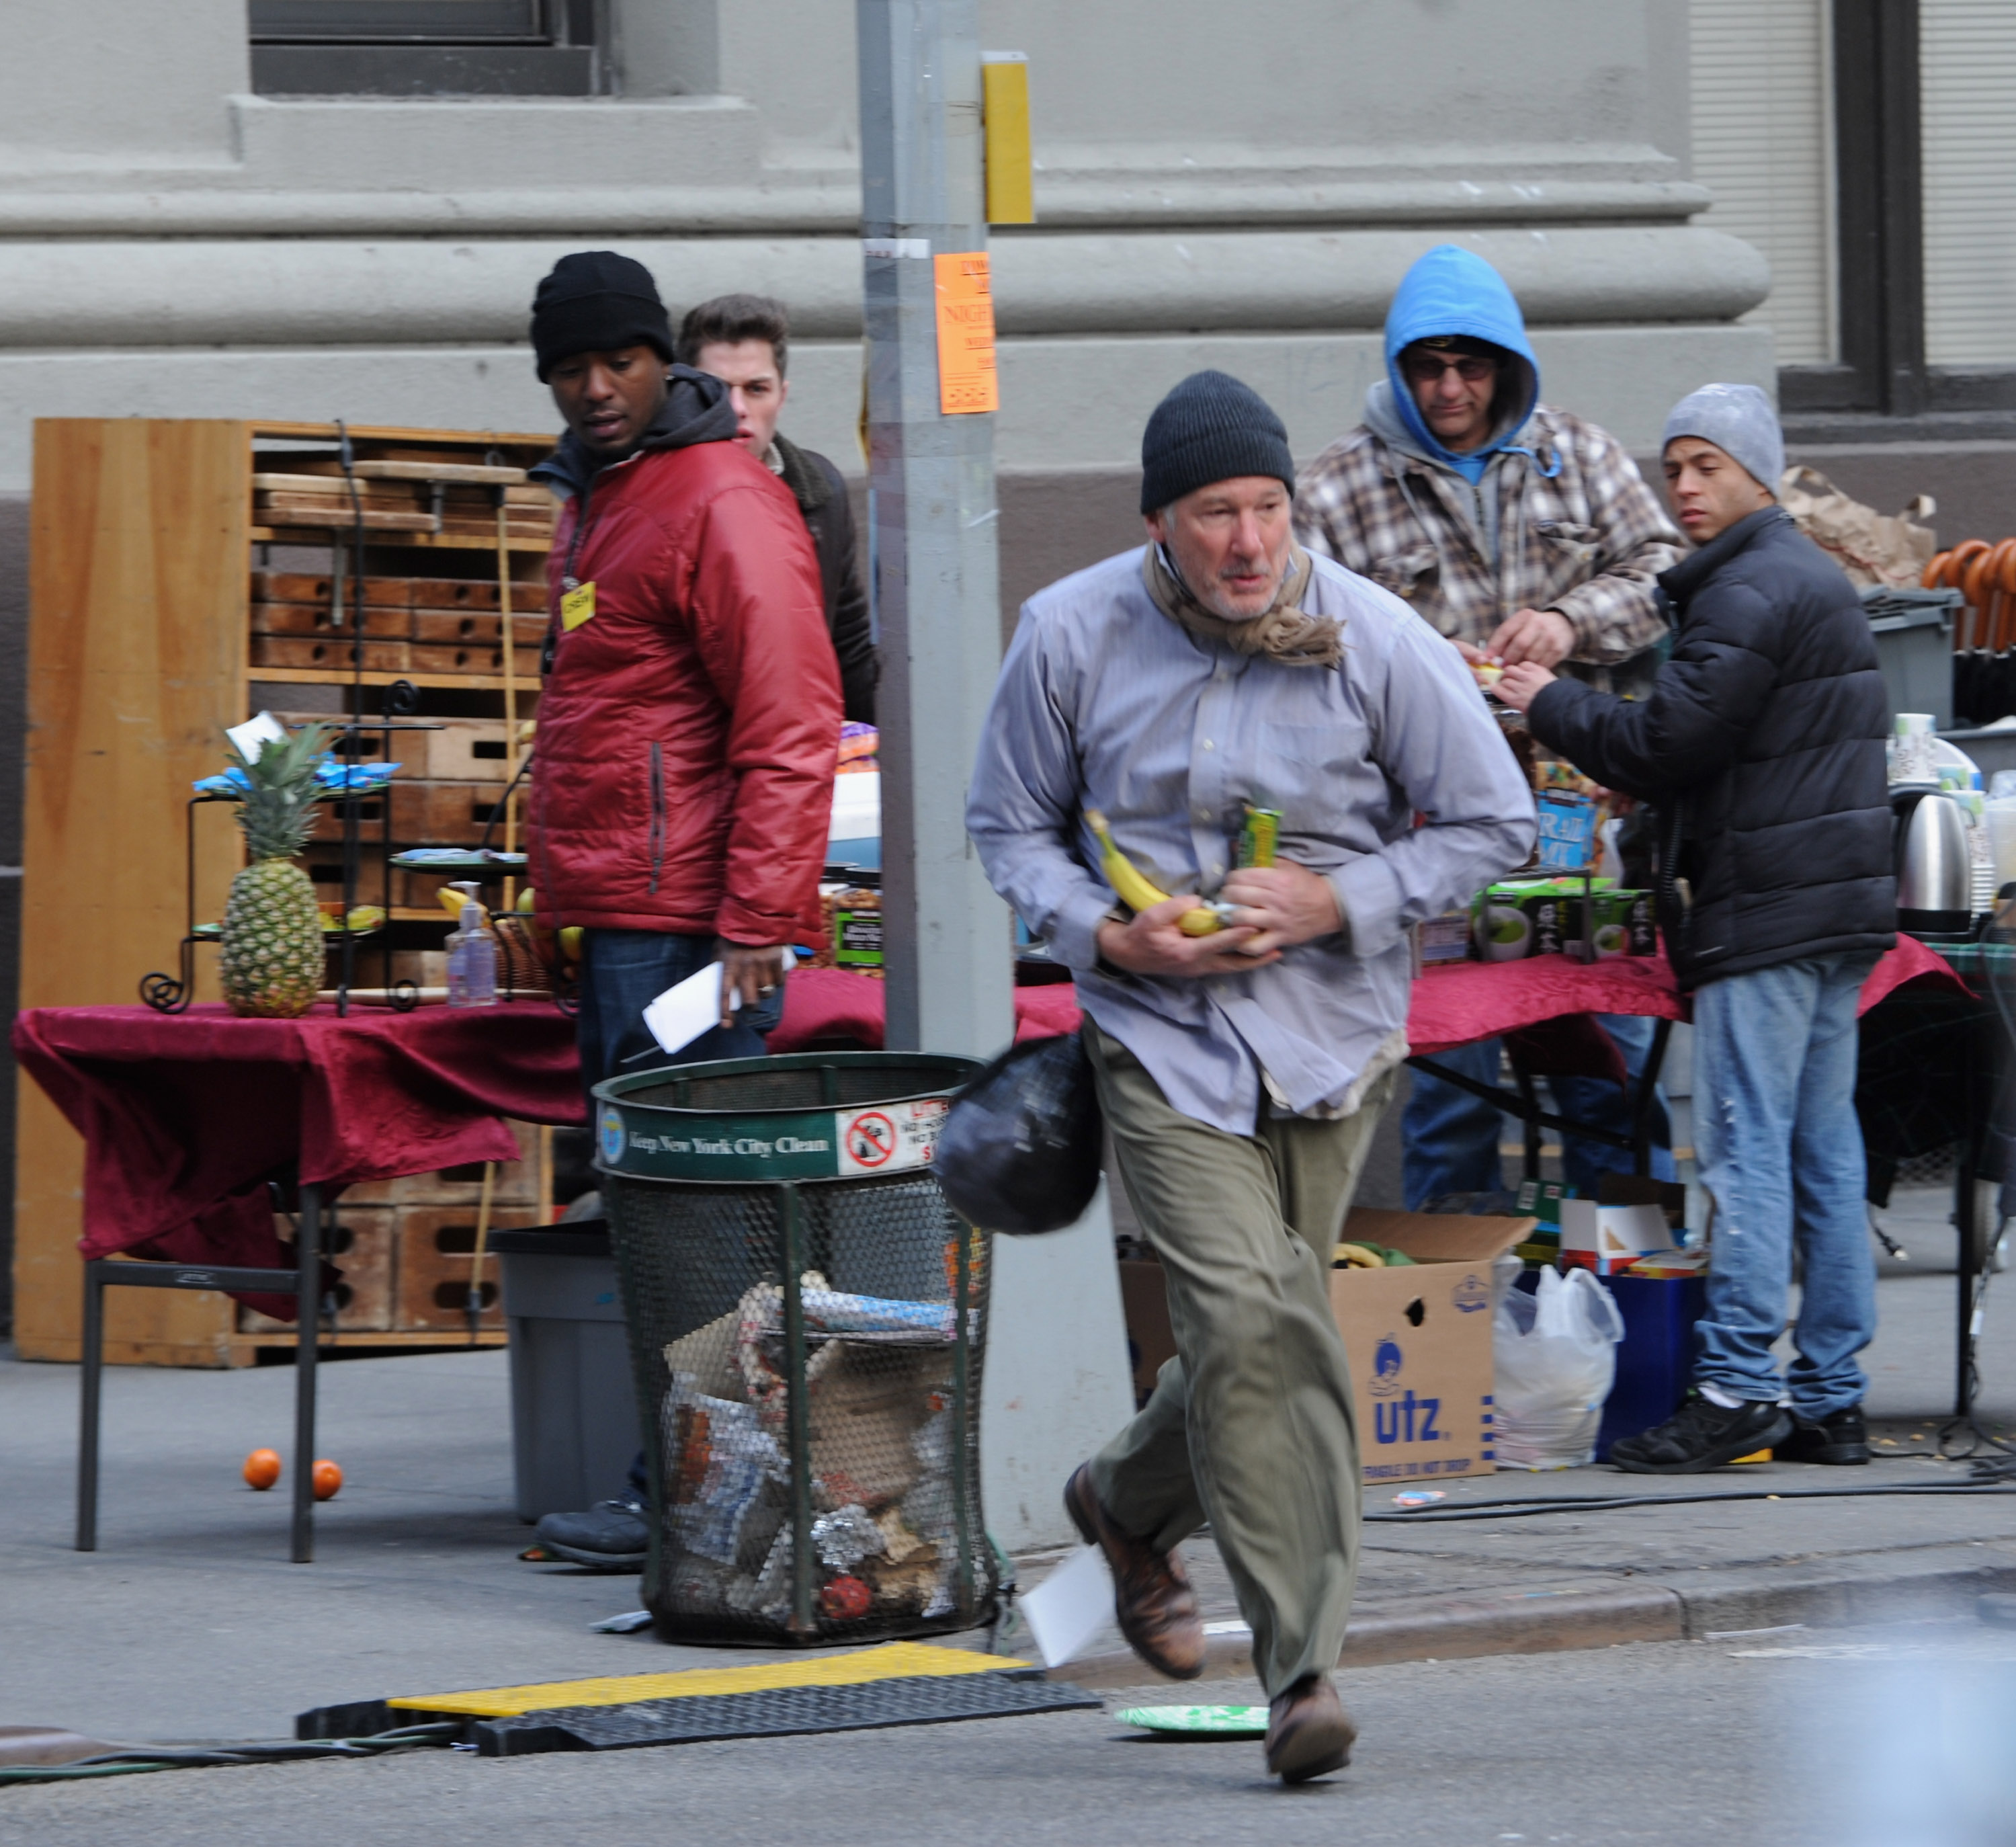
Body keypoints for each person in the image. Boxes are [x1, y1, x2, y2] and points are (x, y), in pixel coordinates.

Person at [967, 371, 1534, 1780]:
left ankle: (1123, 1496)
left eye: (1269, 510)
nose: (1247, 543)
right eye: (1215, 513)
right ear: (1159, 520)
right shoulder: (1067, 636)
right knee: (1259, 1317)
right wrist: (1106, 933)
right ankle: (1303, 1672)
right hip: (1160, 1045)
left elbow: (1494, 820)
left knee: (1247, 1334)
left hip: (1334, 1040)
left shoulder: (1370, 638)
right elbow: (1006, 827)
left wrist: (1336, 903)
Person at [1494, 383, 1896, 1473]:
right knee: (1823, 1146)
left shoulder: (1750, 587)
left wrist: (1548, 700)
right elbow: (1731, 749)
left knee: (1744, 1145)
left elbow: (1670, 737)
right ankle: (1831, 1392)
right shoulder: (1804, 577)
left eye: (1706, 465)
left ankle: (1735, 1384)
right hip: (1834, 905)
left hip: (1768, 912)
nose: (1683, 486)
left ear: (1759, 473)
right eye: (1672, 466)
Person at [523, 250, 841, 1566]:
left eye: (620, 362)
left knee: (704, 1220)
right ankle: (690, 1487)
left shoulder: (721, 499)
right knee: (659, 1212)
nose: (596, 388)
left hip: (692, 930)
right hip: (630, 916)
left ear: (669, 365)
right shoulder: (607, 496)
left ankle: (702, 1499)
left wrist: (757, 921)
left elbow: (790, 720)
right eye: (572, 368)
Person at [1296, 243, 1684, 1210]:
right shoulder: (1339, 486)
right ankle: (1454, 1312)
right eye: (1429, 367)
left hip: (1581, 819)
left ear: (1508, 365)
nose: (1452, 388)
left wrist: (1569, 622)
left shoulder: (1580, 456)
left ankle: (1637, 1299)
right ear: (1399, 367)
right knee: (1450, 1088)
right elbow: (1302, 652)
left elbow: (1668, 579)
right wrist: (1423, 676)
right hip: (1433, 833)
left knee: (1612, 1069)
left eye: (1472, 366)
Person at [677, 292, 878, 723]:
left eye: (756, 389)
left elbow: (848, 644)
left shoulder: (819, 491)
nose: (737, 409)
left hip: (792, 759)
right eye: (716, 390)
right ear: (685, 392)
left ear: (781, 396)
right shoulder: (653, 498)